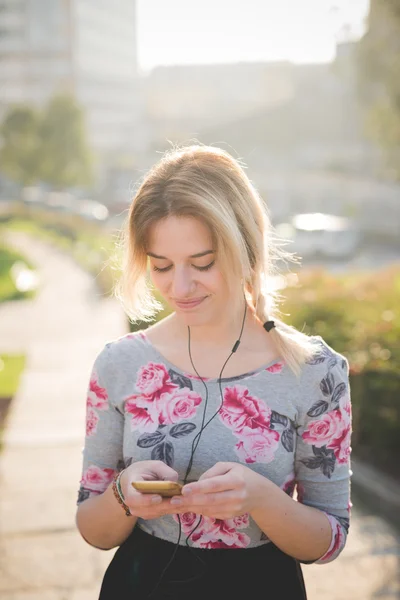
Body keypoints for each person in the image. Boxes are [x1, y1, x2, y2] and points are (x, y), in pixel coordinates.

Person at [75, 145, 352, 600]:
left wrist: (261, 499)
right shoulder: (119, 363)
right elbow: (93, 529)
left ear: (245, 246)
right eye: (160, 266)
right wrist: (123, 494)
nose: (179, 288)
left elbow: (329, 540)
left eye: (202, 263)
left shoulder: (316, 371)